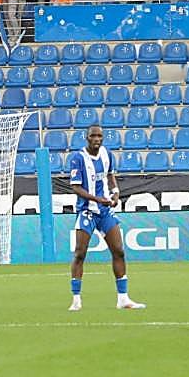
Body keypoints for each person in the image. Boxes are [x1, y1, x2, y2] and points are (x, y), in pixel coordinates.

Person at [68, 125, 145, 311]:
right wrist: (97, 199)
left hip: (105, 212)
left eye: (100, 136)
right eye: (93, 136)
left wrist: (116, 193)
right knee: (80, 253)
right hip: (87, 210)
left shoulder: (106, 154)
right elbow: (76, 187)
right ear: (87, 138)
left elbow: (110, 176)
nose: (97, 139)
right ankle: (76, 299)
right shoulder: (78, 158)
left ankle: (123, 298)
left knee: (119, 250)